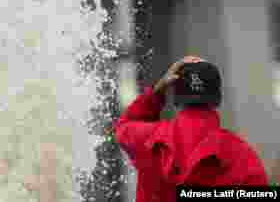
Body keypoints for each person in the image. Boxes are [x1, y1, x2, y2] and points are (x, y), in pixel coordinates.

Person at [114, 55, 268, 201]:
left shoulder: (149, 139)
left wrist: (157, 91)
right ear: (218, 98)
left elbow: (123, 126)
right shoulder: (242, 156)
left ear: (176, 96)